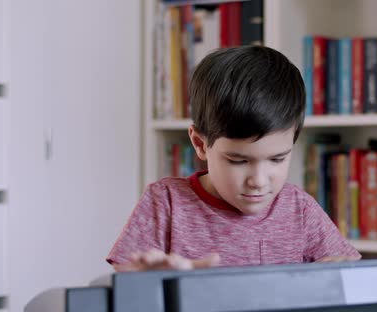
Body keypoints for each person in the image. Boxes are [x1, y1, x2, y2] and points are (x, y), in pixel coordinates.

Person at [107, 46, 361, 272]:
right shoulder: (166, 202)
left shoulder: (299, 208)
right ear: (200, 144)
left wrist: (341, 274)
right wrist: (150, 280)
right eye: (238, 161)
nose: (259, 181)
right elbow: (121, 285)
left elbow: (351, 273)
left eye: (277, 159)